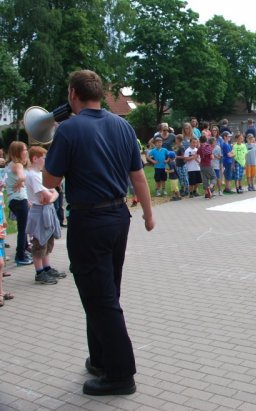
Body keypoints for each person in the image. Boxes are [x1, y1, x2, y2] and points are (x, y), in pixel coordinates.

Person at [43, 69, 154, 396]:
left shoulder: (69, 130)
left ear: (73, 95)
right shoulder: (123, 125)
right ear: (101, 95)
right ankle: (100, 358)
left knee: (100, 298)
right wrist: (148, 215)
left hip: (89, 222)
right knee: (106, 293)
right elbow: (139, 177)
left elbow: (50, 182)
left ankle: (120, 375)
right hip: (119, 217)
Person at [25, 146, 65, 285]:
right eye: (44, 157)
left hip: (45, 210)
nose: (46, 160)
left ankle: (46, 268)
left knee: (47, 240)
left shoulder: (39, 174)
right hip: (39, 212)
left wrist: (53, 194)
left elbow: (54, 191)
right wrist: (53, 195)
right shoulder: (32, 175)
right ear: (35, 158)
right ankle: (40, 272)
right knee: (39, 242)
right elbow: (49, 196)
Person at [5, 141, 32, 266]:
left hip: (13, 200)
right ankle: (20, 256)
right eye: (24, 150)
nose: (26, 152)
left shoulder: (10, 164)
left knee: (22, 228)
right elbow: (22, 177)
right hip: (20, 199)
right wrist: (19, 183)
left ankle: (23, 251)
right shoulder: (18, 165)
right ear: (18, 152)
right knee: (23, 230)